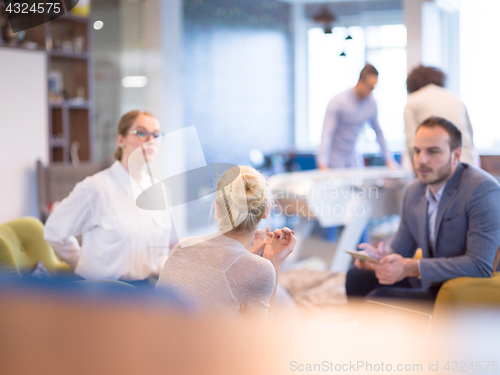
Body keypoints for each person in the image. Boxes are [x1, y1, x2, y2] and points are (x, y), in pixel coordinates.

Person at [346, 117, 500, 302]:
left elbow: (479, 265)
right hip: (430, 283)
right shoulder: (414, 191)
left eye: (433, 152)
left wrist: (412, 267)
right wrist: (379, 258)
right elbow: (400, 249)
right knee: (357, 276)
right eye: (417, 151)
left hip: (463, 293)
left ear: (456, 155)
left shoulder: (482, 189)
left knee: (379, 299)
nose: (421, 160)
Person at [44, 110, 171, 284]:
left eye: (156, 135)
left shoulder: (159, 190)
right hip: (103, 294)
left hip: (145, 289)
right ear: (121, 140)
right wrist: (81, 263)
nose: (151, 141)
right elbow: (53, 231)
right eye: (141, 133)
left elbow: (161, 252)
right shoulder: (95, 188)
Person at [155, 166, 296, 320]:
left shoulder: (183, 246)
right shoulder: (260, 269)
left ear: (216, 208)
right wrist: (272, 259)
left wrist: (247, 257)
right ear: (266, 211)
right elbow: (262, 337)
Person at [317, 63, 396, 170]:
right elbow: (327, 134)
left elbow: (378, 133)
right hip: (334, 157)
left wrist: (389, 160)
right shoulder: (338, 102)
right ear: (360, 82)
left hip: (353, 156)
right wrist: (322, 163)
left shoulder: (371, 104)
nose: (371, 91)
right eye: (369, 87)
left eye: (373, 88)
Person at [404, 65, 478, 169]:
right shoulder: (456, 99)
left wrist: (418, 177)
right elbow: (470, 136)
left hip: (439, 168)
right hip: (469, 164)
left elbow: (412, 143)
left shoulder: (413, 101)